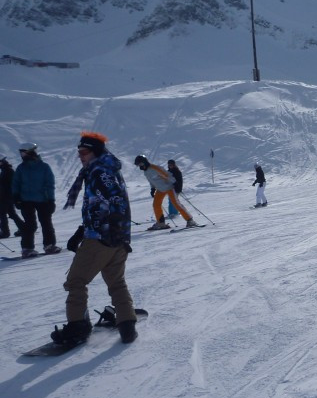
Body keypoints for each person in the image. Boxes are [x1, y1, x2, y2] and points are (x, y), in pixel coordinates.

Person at [50, 132, 138, 347]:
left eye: (84, 151)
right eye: (79, 152)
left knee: (76, 282)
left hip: (101, 238)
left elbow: (115, 200)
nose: (80, 155)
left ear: (95, 151)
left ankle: (77, 327)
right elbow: (99, 205)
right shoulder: (105, 169)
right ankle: (127, 326)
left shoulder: (99, 172)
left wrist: (107, 231)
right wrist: (82, 231)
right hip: (116, 239)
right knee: (116, 282)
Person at [12, 142, 60, 257]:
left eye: (23, 153)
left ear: (30, 152)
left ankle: (49, 245)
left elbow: (49, 184)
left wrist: (51, 200)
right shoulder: (21, 168)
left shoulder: (44, 167)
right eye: (21, 153)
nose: (22, 156)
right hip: (25, 201)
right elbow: (15, 184)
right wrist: (16, 197)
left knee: (46, 222)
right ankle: (27, 248)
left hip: (43, 200)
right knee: (30, 225)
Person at [133, 155, 199, 229]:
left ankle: (190, 220)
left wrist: (174, 182)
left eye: (140, 164)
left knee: (176, 204)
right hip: (160, 189)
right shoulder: (146, 172)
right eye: (138, 165)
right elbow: (151, 181)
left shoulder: (155, 168)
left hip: (169, 187)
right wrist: (152, 189)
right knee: (156, 204)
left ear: (144, 162)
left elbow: (167, 174)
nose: (140, 166)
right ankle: (161, 223)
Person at [0, 156, 25, 239]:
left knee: (2, 213)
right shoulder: (6, 170)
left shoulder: (7, 171)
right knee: (12, 214)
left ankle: (5, 232)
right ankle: (23, 229)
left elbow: (7, 185)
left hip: (6, 197)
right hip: (8, 196)